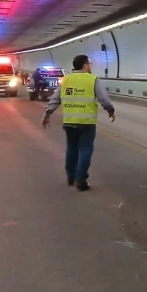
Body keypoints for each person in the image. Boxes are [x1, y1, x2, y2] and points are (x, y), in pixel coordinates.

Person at [42, 55, 115, 191]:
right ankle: (81, 179)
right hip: (87, 123)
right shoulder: (92, 79)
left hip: (69, 121)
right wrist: (110, 110)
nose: (90, 66)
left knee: (72, 148)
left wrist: (47, 114)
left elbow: (55, 99)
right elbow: (103, 99)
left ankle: (71, 176)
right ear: (85, 65)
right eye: (89, 63)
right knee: (86, 149)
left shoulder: (66, 80)